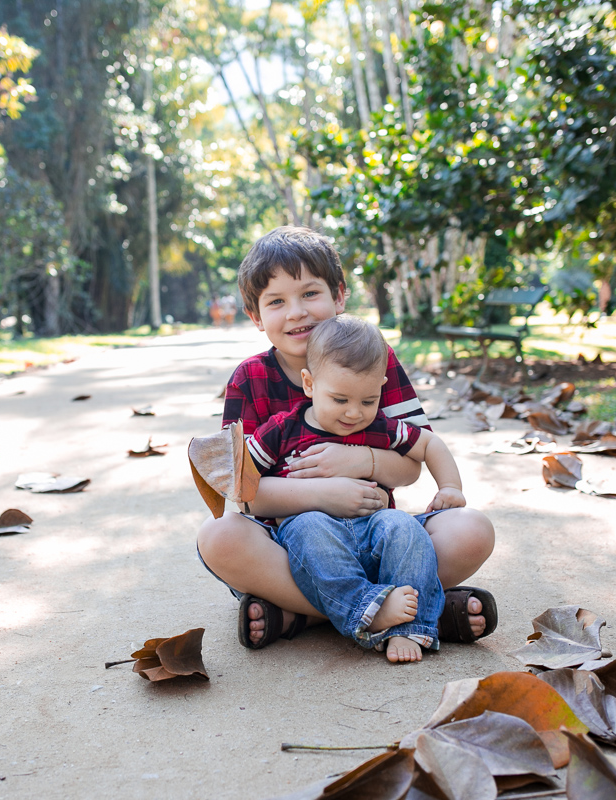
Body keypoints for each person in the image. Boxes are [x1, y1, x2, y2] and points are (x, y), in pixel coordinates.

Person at [195, 225, 497, 649]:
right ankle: (418, 609)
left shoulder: (374, 357)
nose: (296, 311)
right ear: (256, 316)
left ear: (339, 296)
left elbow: (412, 464)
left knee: (472, 530)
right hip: (288, 545)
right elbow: (243, 492)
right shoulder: (250, 378)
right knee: (219, 537)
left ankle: (300, 616)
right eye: (277, 301)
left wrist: (361, 462)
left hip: (377, 537)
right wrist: (326, 494)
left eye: (310, 294)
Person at [245, 315, 468, 662]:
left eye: (368, 400)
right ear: (309, 383)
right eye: (340, 399)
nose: (354, 413)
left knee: (403, 526)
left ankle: (408, 628)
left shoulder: (379, 426)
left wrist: (451, 486)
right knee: (309, 527)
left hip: (372, 525)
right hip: (312, 530)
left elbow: (429, 444)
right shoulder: (283, 429)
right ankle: (367, 608)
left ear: (380, 386)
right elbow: (242, 479)